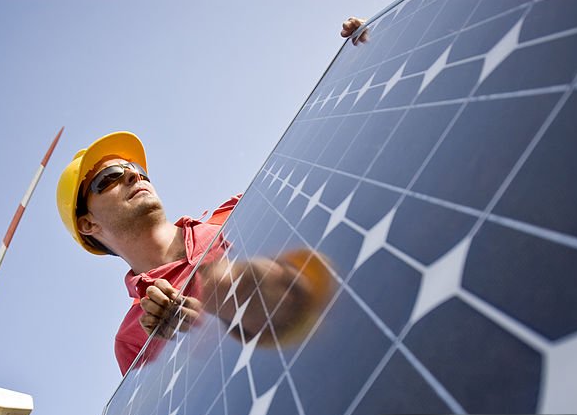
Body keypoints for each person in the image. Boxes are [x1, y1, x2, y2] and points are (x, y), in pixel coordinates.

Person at [55, 19, 365, 374]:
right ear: (88, 222)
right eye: (109, 177)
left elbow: (342, 194)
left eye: (136, 169)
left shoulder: (239, 210)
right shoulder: (133, 341)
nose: (132, 174)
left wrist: (376, 55)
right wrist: (189, 342)